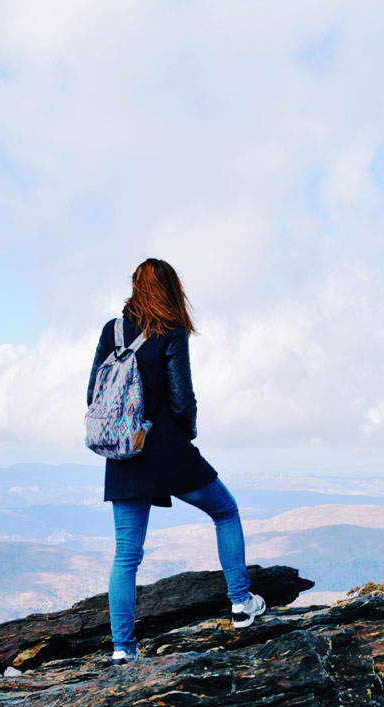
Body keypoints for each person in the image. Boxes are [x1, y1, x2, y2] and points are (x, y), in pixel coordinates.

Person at [87, 257, 265, 667]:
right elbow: (182, 398)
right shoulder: (171, 331)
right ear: (171, 289)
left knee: (126, 554)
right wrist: (188, 432)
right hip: (167, 447)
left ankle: (122, 649)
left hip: (125, 451)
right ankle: (240, 603)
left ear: (135, 286)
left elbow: (92, 396)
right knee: (225, 510)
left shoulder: (111, 331)